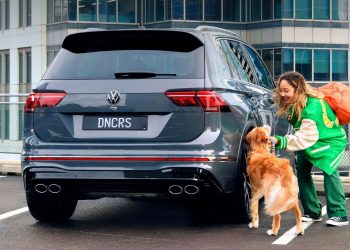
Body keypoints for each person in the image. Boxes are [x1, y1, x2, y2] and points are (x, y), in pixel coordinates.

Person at [270, 71, 349, 226]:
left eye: (286, 91)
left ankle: (340, 214)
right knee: (302, 168)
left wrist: (280, 141)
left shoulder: (312, 107)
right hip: (314, 139)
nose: (282, 94)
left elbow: (304, 138)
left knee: (329, 170)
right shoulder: (296, 103)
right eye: (281, 90)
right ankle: (313, 212)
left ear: (297, 89)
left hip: (331, 140)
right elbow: (305, 136)